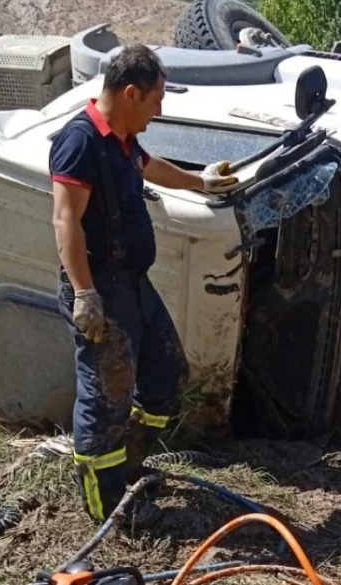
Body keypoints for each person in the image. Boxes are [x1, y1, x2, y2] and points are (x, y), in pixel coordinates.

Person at [49, 44, 238, 531]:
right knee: (104, 398)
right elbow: (66, 219)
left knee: (167, 374)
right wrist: (84, 293)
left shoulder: (124, 139)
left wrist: (200, 183)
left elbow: (149, 168)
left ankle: (128, 462)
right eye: (156, 101)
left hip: (132, 283)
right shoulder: (81, 141)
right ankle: (107, 504)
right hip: (100, 290)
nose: (160, 111)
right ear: (130, 93)